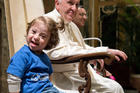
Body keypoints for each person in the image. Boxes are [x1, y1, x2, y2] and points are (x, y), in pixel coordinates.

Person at [44, 0, 127, 93]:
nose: (74, 8)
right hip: (60, 77)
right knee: (113, 88)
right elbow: (56, 52)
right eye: (70, 3)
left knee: (115, 87)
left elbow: (81, 47)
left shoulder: (70, 24)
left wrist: (102, 52)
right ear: (57, 3)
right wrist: (95, 53)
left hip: (77, 73)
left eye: (77, 4)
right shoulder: (47, 21)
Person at [6, 16, 64, 93]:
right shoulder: (22, 55)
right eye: (33, 32)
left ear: (49, 41)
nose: (36, 37)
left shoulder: (45, 58)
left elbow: (49, 77)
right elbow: (13, 78)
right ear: (27, 31)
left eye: (43, 36)